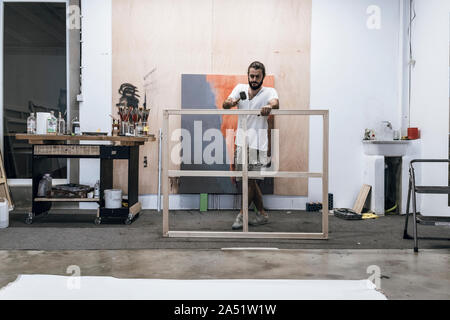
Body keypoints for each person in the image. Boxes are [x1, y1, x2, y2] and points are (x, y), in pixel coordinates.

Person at [223, 61, 279, 230]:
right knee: (249, 181)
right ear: (248, 75)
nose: (254, 79)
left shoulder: (269, 91)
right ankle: (261, 214)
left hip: (258, 143)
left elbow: (276, 102)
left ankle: (242, 215)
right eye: (251, 76)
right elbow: (226, 104)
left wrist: (269, 106)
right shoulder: (240, 88)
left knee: (250, 180)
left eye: (257, 76)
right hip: (241, 142)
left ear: (263, 76)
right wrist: (233, 100)